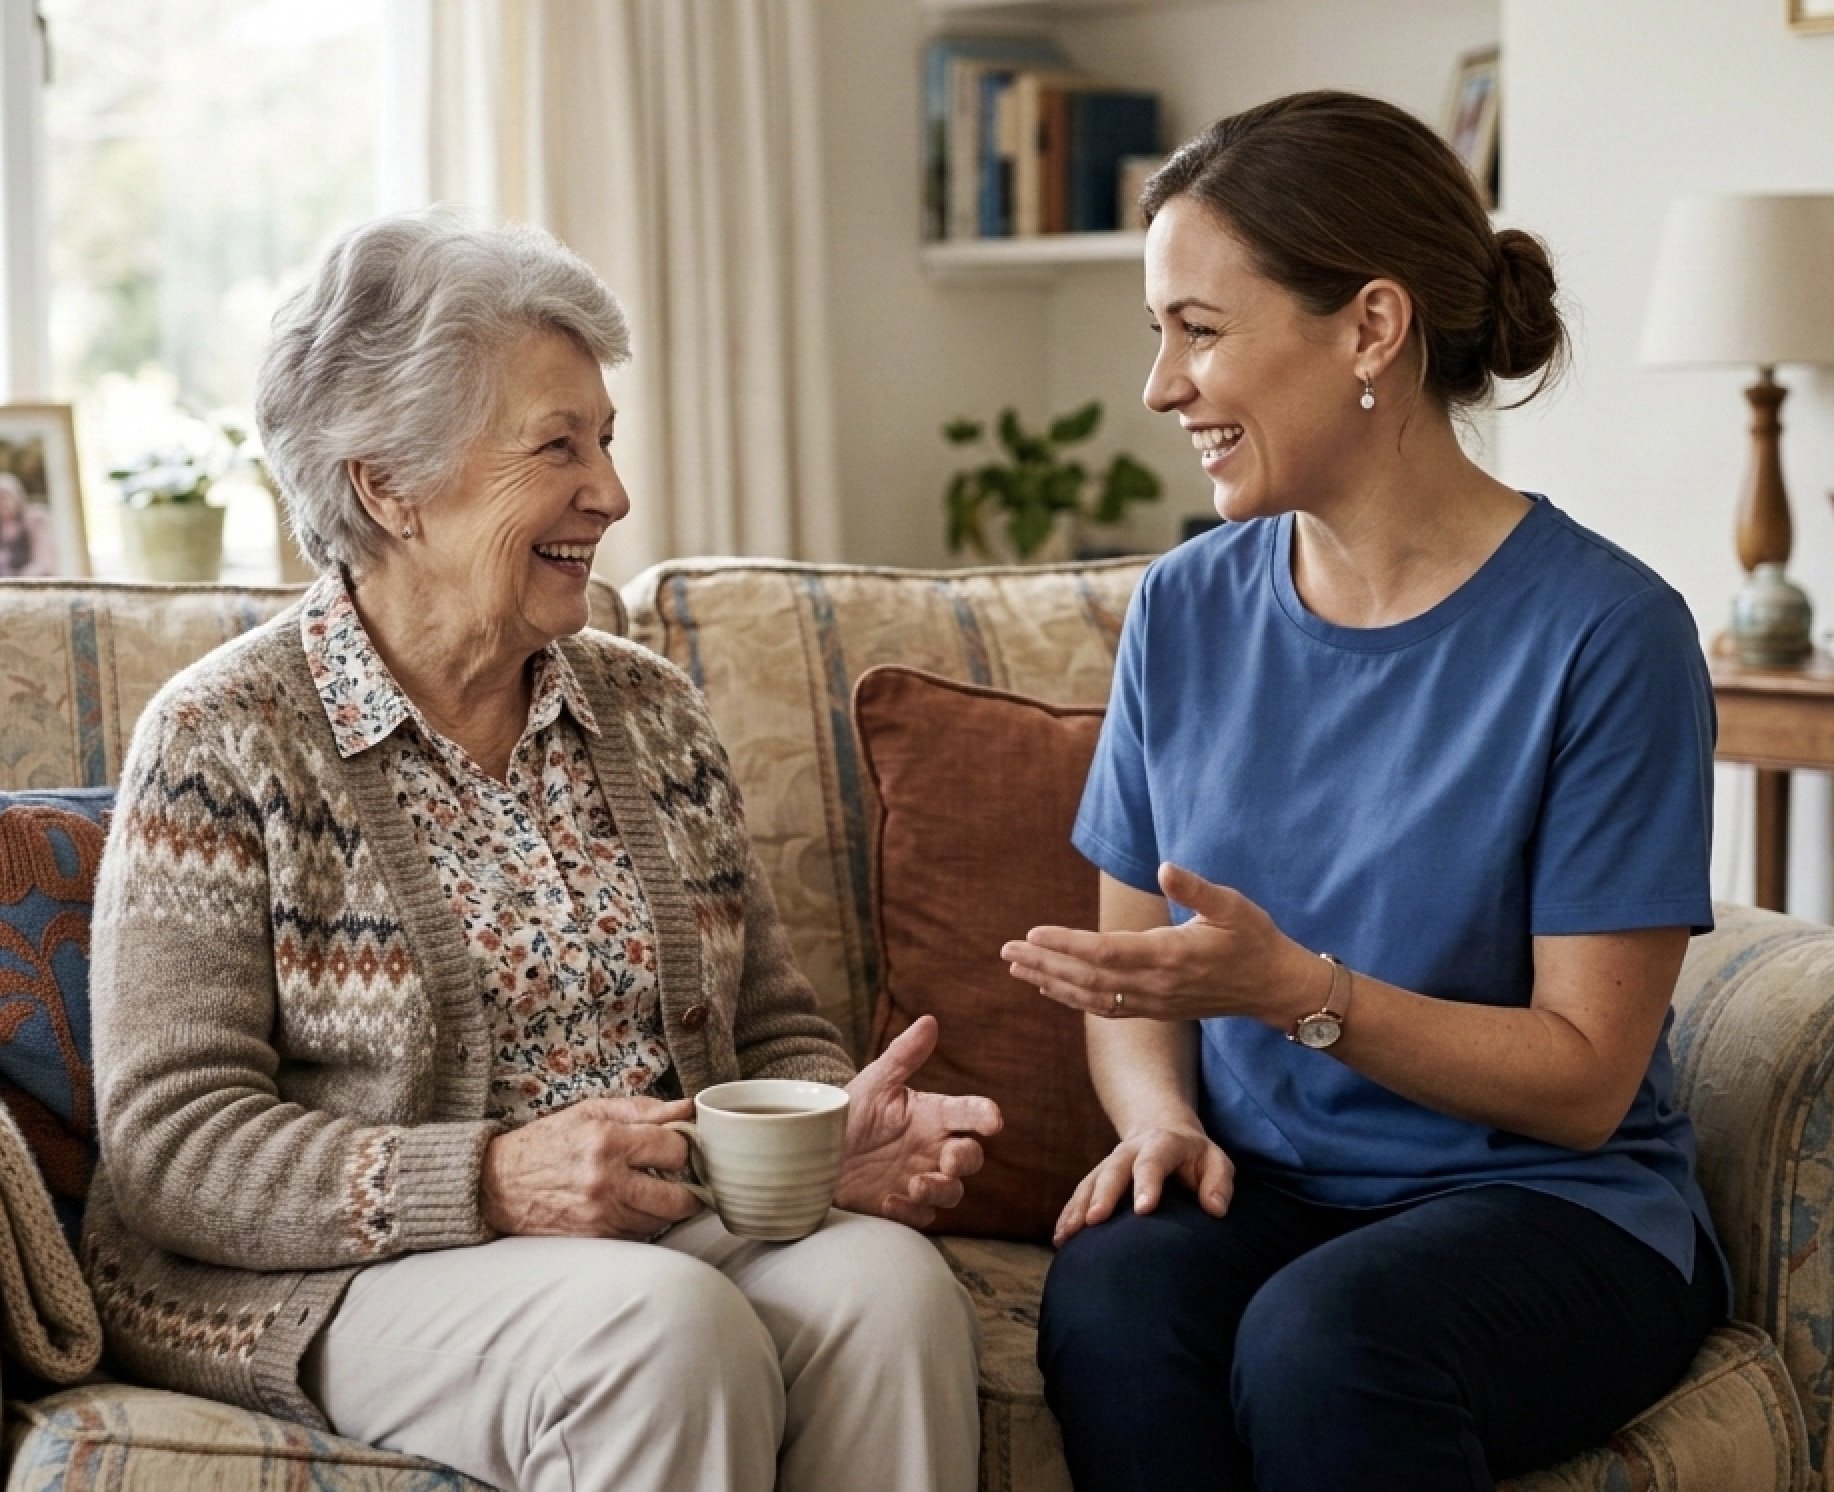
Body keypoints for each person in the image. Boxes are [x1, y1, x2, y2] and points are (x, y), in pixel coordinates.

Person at [85, 211, 1002, 1492]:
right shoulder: (223, 739)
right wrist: (491, 1178)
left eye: (606, 441)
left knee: (888, 1289)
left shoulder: (649, 711)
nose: (612, 494)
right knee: (658, 1335)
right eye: (556, 446)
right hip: (351, 1278)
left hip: (660, 1234)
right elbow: (174, 1146)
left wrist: (810, 1131)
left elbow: (771, 1023)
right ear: (386, 485)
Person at [1000, 91, 1725, 1491]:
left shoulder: (1603, 634)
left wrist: (1295, 993)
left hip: (1544, 1206)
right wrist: (1156, 1120)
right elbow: (1136, 975)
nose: (1159, 386)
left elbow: (1581, 1083)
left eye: (1197, 330)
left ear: (1369, 330)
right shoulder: (1184, 609)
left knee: (1327, 1339)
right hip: (1265, 1191)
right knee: (1116, 1299)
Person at [0, 471, 52, 576]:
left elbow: (45, 562)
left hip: (34, 582)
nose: (2, 503)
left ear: (16, 496)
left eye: (4, 497)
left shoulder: (34, 520)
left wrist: (20, 578)